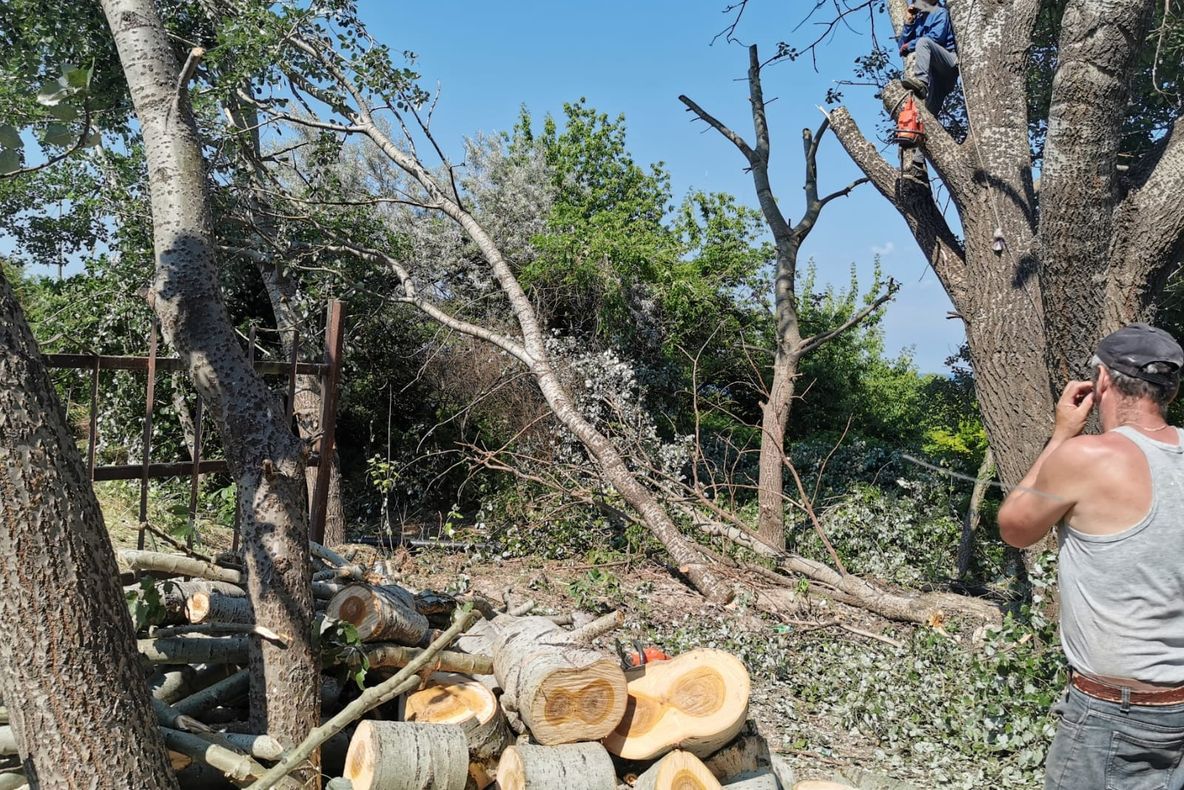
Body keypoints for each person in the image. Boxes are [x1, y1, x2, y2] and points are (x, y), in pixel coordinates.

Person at [997, 323, 1184, 790]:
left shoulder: (1087, 456)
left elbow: (1015, 528)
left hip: (1115, 713)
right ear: (1170, 389)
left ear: (1102, 381)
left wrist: (1061, 436)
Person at [897, 0, 959, 119]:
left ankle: (921, 83)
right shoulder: (919, 20)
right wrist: (909, 23)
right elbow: (902, 47)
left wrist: (910, 45)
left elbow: (936, 37)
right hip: (936, 76)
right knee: (928, 115)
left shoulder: (940, 12)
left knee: (923, 42)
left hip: (948, 61)